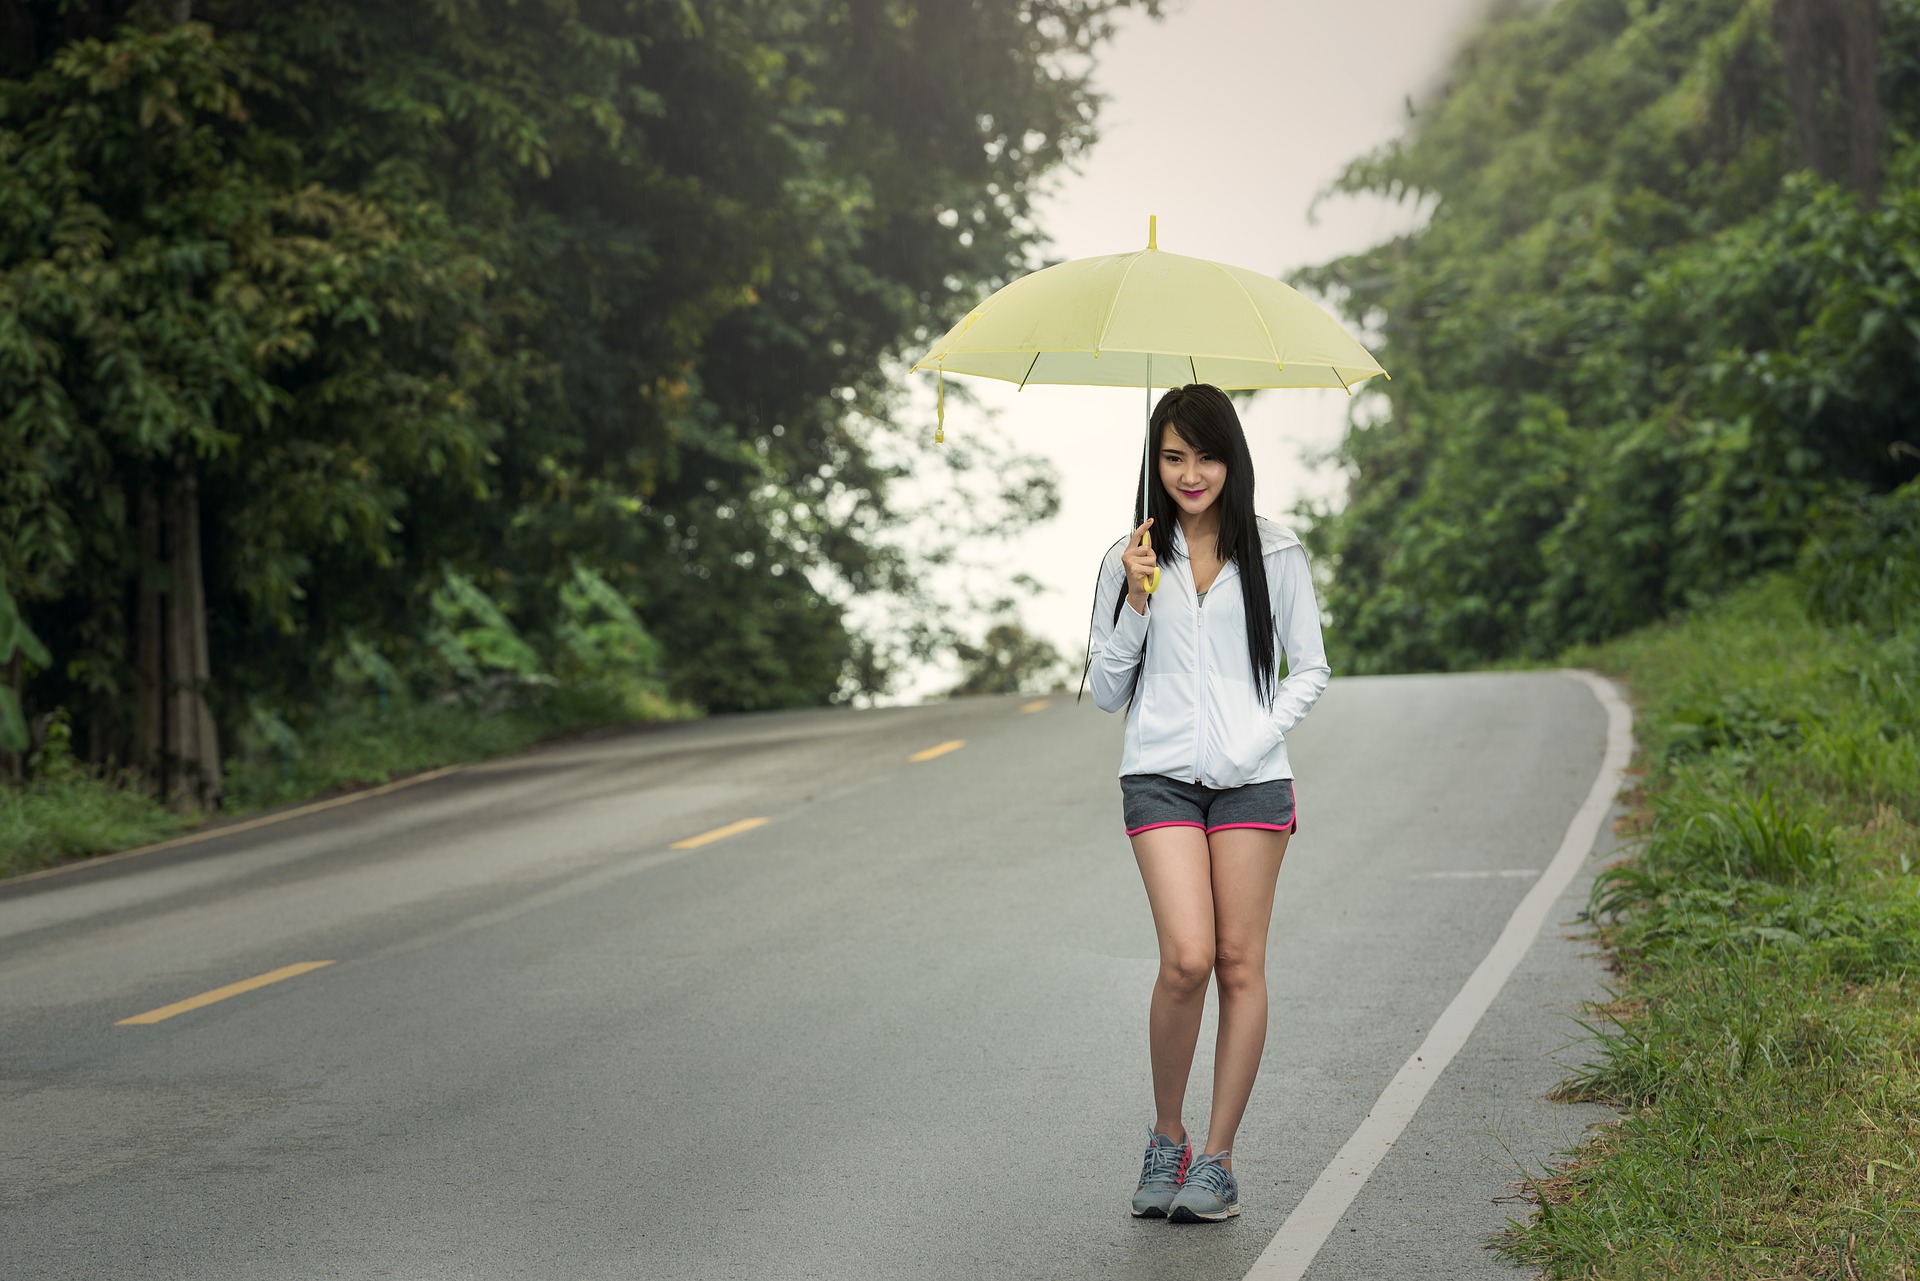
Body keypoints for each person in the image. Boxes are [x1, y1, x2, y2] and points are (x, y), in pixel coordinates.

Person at [1085, 383, 1330, 1224]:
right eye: (1174, 455)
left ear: (1233, 458)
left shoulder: (1276, 551)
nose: (1191, 473)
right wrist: (1139, 599)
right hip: (1157, 775)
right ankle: (1167, 1134)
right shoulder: (1130, 556)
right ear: (1155, 461)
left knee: (1238, 961)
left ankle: (1216, 1158)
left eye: (1207, 454)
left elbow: (1313, 668)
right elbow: (1107, 690)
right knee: (1186, 958)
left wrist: (1254, 737)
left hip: (1253, 778)